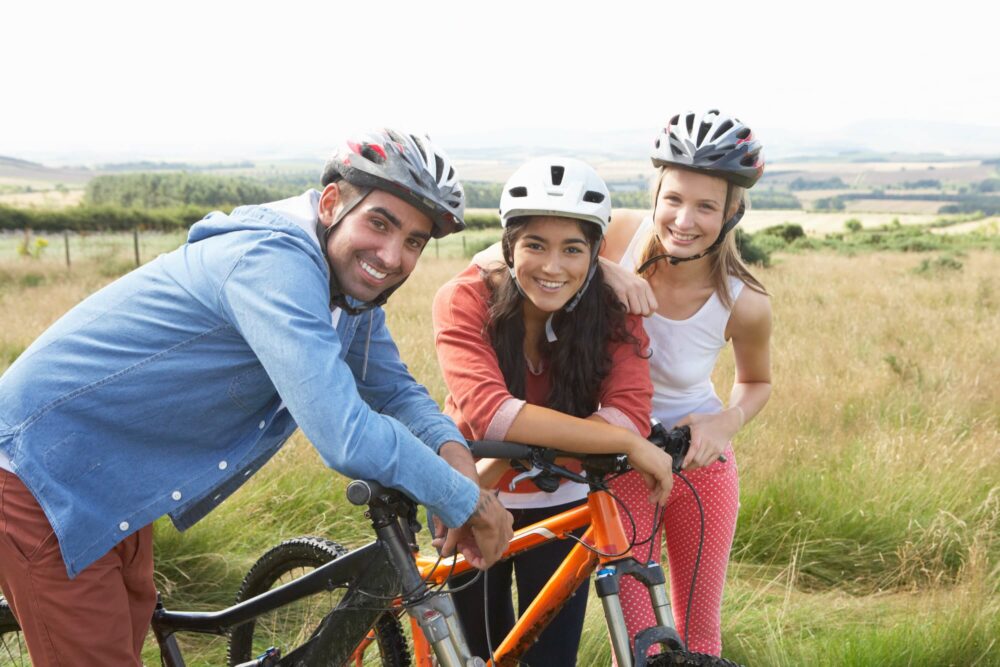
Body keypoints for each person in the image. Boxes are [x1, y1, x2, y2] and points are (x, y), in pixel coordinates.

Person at [0, 129, 513, 666]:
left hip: (114, 481)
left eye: (413, 241)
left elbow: (394, 389)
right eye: (380, 223)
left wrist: (456, 464)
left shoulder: (347, 292)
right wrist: (466, 502)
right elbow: (347, 432)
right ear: (334, 203)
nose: (391, 256)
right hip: (44, 471)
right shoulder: (273, 263)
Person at [432, 157, 676, 665]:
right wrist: (625, 444)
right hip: (466, 489)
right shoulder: (463, 299)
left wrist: (504, 461)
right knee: (478, 654)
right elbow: (492, 415)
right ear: (507, 247)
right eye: (535, 246)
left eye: (573, 249)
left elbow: (629, 412)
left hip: (556, 499)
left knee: (552, 657)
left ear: (595, 256)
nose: (552, 266)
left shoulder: (612, 312)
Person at [598, 109, 773, 657]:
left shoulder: (745, 301)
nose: (684, 219)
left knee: (699, 638)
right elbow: (531, 253)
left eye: (706, 206)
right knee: (639, 639)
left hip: (699, 465)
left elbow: (757, 381)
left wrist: (727, 421)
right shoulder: (619, 235)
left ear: (732, 213)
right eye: (673, 199)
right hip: (620, 456)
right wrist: (607, 271)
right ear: (655, 194)